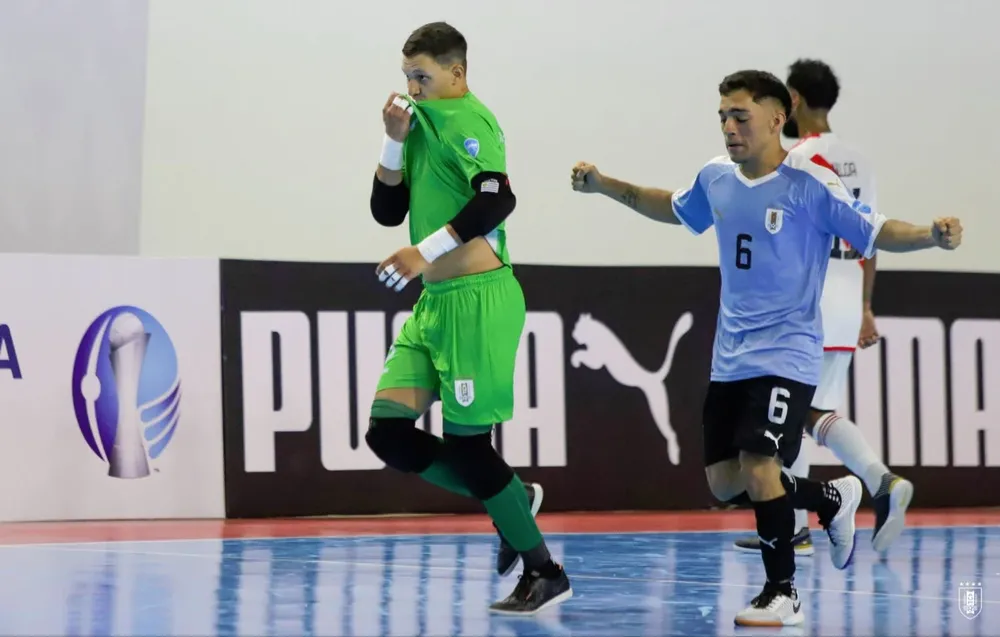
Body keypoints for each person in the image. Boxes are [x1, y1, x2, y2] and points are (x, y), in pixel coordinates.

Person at [570, 70, 962, 627]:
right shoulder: (716, 178)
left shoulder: (810, 183)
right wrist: (605, 184)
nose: (730, 128)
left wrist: (930, 234)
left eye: (741, 117)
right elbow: (670, 205)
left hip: (789, 350)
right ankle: (831, 499)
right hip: (731, 354)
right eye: (723, 118)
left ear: (778, 118)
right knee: (725, 483)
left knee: (761, 465)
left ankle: (783, 592)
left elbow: (875, 232)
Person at [364, 21, 571, 615]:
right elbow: (385, 210)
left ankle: (545, 571)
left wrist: (420, 252)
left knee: (472, 448)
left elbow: (497, 199)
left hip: (479, 300)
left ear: (457, 73)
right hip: (434, 305)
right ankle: (511, 496)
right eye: (406, 76)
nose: (413, 87)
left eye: (422, 76)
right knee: (388, 432)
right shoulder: (419, 122)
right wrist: (393, 140)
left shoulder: (471, 122)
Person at [734, 59, 913, 559]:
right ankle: (796, 524)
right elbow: (870, 236)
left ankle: (878, 481)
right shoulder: (862, 160)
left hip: (809, 297)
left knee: (801, 412)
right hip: (848, 290)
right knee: (805, 413)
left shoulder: (799, 158)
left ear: (792, 99)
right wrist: (866, 305)